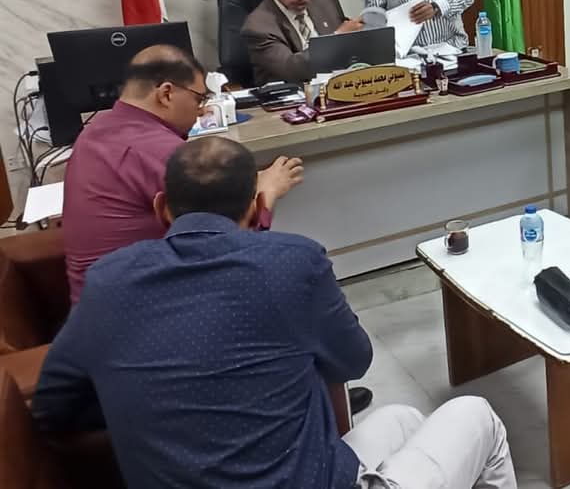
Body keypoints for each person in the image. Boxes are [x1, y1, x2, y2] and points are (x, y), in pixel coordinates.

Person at [33, 136, 517, 489]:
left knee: (404, 419)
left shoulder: (108, 280)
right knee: (478, 415)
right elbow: (354, 360)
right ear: (254, 206)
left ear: (162, 208)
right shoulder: (291, 262)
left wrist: (149, 397)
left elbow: (55, 408)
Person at [60, 44, 302, 305]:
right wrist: (266, 194)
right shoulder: (159, 152)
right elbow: (228, 249)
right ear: (166, 94)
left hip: (98, 304)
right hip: (146, 307)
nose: (202, 111)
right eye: (199, 99)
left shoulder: (96, 130)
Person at [243, 0, 364, 85]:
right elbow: (291, 69)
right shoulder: (258, 26)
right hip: (293, 93)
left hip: (337, 85)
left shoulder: (323, 2)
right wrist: (337, 38)